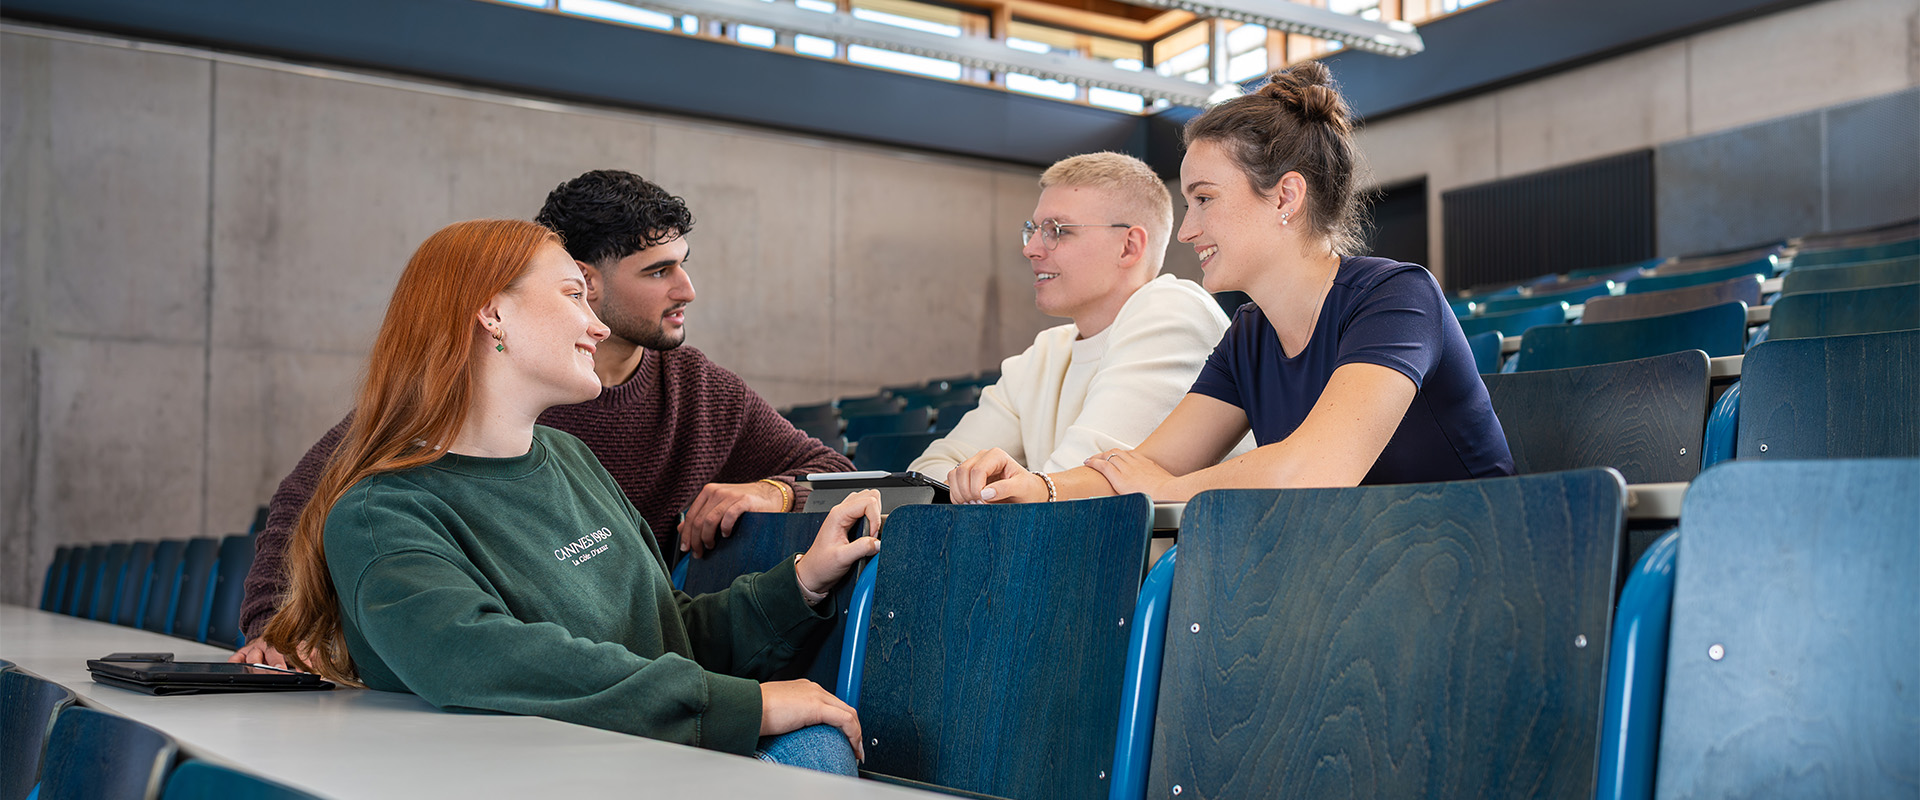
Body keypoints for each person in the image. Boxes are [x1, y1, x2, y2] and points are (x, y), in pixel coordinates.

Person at [260, 219, 877, 772]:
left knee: (814, 742)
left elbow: (663, 636)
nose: (598, 324)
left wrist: (801, 582)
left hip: (635, 759)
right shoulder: (380, 512)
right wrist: (743, 705)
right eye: (574, 296)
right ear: (493, 314)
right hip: (539, 777)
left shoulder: (574, 460)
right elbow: (478, 657)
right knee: (812, 752)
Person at [238, 171, 852, 663]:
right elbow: (310, 504)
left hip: (617, 654)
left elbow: (665, 627)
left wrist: (774, 494)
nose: (686, 289)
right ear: (585, 281)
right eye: (659, 270)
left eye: (683, 263)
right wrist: (276, 633)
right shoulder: (426, 458)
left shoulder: (689, 398)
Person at [946, 64, 1513, 505]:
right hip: (1357, 583)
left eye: (1204, 199)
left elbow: (1315, 469)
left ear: (1286, 197)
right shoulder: (1250, 334)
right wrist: (1035, 487)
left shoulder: (1396, 296)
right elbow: (1145, 463)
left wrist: (1166, 487)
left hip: (1479, 571)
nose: (1188, 229)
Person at [909, 152, 1250, 484]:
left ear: (1128, 247)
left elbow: (1079, 491)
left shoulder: (1173, 313)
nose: (1032, 249)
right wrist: (987, 488)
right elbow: (931, 467)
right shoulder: (1045, 352)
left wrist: (988, 490)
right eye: (1035, 229)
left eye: (1058, 230)